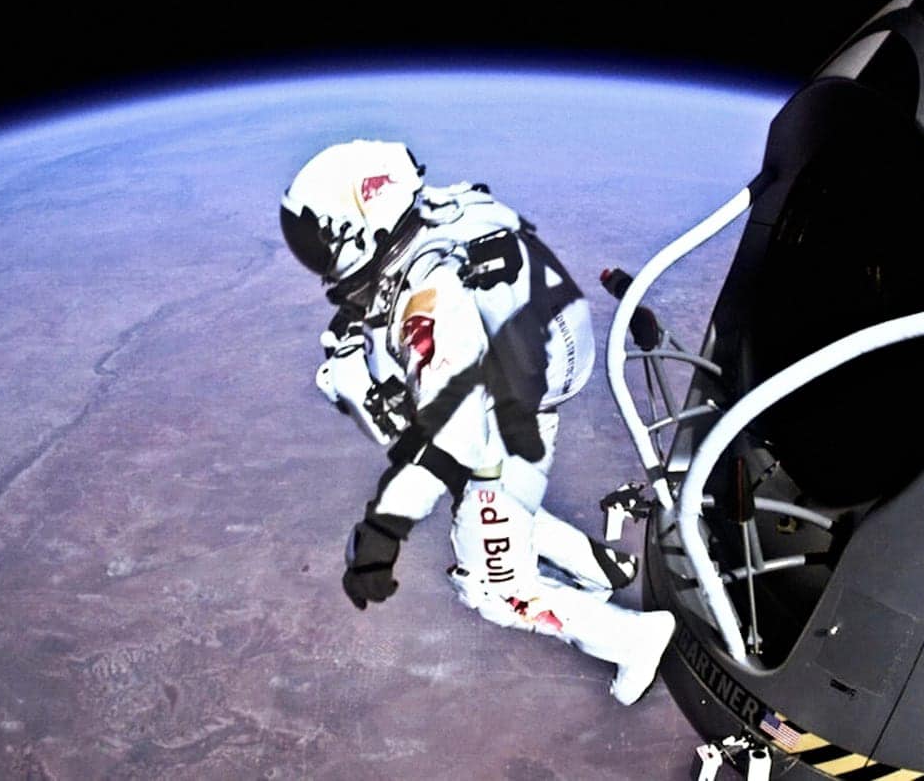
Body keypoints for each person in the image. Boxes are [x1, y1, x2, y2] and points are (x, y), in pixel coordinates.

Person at [279, 139, 676, 705]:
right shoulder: (451, 211)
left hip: (501, 426)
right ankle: (600, 567)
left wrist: (383, 530)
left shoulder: (429, 304)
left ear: (358, 228)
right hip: (526, 381)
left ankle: (633, 640)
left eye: (319, 242)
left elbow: (452, 440)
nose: (316, 259)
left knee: (492, 590)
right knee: (490, 499)